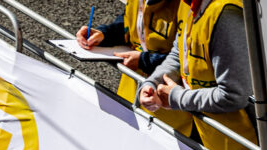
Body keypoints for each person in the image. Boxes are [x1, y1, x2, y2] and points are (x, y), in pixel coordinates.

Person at [138, 0, 262, 150]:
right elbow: (179, 53)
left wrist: (178, 98)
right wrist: (152, 83)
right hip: (216, 142)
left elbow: (233, 95)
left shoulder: (225, 14)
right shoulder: (189, 4)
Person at [77, 0, 194, 134]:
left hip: (169, 116)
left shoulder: (186, 5)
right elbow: (129, 23)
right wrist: (104, 34)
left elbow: (188, 60)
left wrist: (143, 61)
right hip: (130, 95)